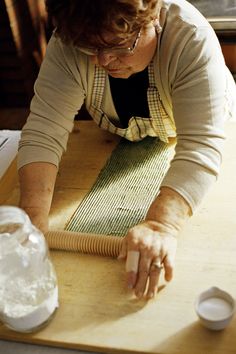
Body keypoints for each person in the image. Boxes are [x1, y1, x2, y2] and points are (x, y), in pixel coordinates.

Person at [18, 0, 236, 300]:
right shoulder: (70, 39)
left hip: (207, 129)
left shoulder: (191, 37)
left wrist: (162, 225)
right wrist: (32, 220)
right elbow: (44, 130)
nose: (104, 61)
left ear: (153, 15)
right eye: (90, 49)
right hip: (121, 137)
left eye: (120, 46)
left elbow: (199, 145)